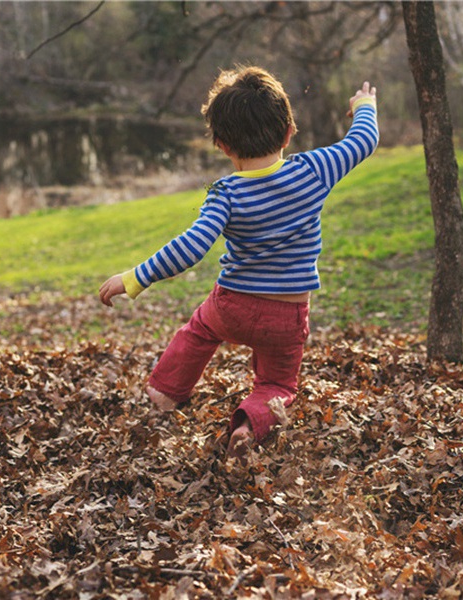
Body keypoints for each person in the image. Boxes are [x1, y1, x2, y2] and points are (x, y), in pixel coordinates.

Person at [99, 66, 378, 460]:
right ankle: (249, 424)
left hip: (232, 306)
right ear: (287, 132)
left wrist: (135, 278)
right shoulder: (315, 169)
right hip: (287, 314)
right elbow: (364, 140)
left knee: (198, 332)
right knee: (279, 382)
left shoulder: (225, 193)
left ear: (221, 145)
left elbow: (192, 246)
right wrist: (364, 104)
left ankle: (164, 394)